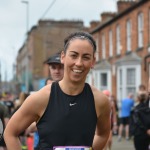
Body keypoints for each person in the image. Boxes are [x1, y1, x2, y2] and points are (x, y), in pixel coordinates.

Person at [4, 31, 111, 150]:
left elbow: (102, 134)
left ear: (93, 62)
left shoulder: (100, 101)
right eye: (74, 55)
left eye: (86, 57)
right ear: (63, 57)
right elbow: (10, 133)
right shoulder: (42, 98)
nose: (79, 63)